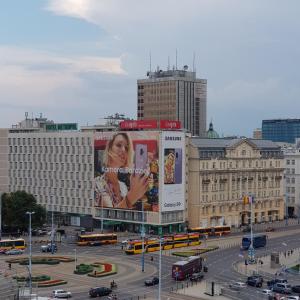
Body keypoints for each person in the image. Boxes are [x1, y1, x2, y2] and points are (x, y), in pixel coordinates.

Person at [95, 133, 149, 209]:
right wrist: (132, 196)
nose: (123, 150)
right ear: (109, 148)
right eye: (119, 145)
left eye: (127, 148)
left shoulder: (123, 186)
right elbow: (110, 216)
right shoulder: (97, 184)